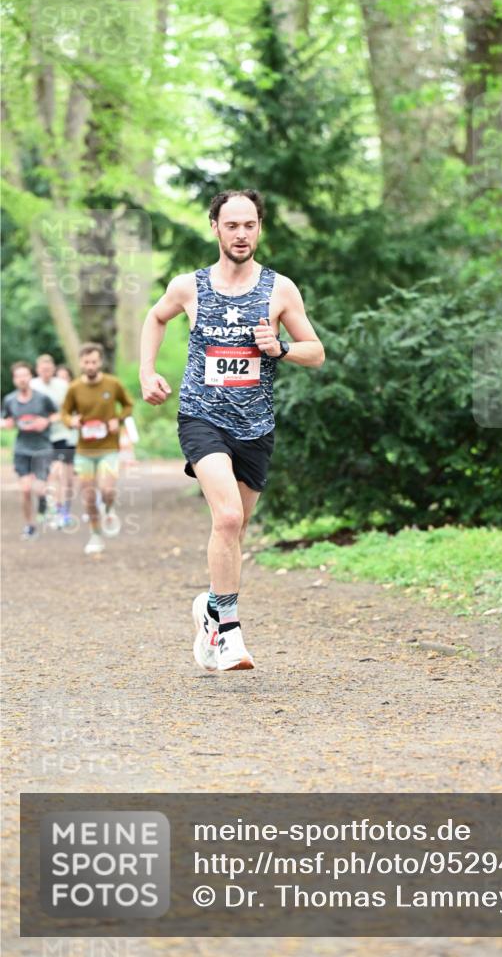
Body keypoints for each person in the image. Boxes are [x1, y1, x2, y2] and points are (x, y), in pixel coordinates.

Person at [139, 188, 325, 672]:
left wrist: (281, 348)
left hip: (255, 426)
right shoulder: (190, 286)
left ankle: (210, 609)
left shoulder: (280, 289)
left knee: (236, 528)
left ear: (259, 228)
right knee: (225, 518)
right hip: (202, 418)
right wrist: (146, 372)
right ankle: (229, 634)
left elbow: (316, 352)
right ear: (215, 228)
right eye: (232, 225)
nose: (241, 234)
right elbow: (155, 317)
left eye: (249, 225)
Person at [61, 342, 134, 554]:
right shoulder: (74, 388)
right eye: (86, 362)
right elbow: (64, 412)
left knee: (107, 490)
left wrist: (118, 420)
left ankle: (109, 509)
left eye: (94, 361)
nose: (90, 366)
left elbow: (128, 405)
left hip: (109, 448)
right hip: (84, 451)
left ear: (100, 361)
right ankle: (95, 535)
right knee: (89, 497)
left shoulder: (113, 384)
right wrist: (71, 421)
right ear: (80, 363)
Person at [1, 361, 58, 539]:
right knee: (25, 490)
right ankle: (30, 526)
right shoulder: (10, 400)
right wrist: (6, 424)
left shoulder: (42, 398)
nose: (22, 379)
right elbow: (6, 420)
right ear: (14, 379)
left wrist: (46, 421)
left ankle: (43, 502)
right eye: (18, 376)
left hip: (42, 448)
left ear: (30, 377)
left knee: (39, 489)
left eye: (25, 375)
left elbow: (57, 415)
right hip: (22, 450)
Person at [31, 353, 77, 527]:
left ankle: (62, 510)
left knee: (62, 474)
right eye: (43, 369)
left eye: (49, 369)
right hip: (40, 437)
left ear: (53, 369)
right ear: (37, 370)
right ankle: (48, 506)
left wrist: (49, 420)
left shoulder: (63, 386)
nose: (46, 372)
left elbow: (68, 411)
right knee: (45, 475)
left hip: (61, 435)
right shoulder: (32, 385)